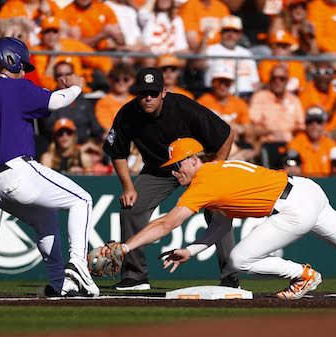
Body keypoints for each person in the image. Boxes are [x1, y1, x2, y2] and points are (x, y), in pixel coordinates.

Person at [96, 137, 336, 300]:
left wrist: (125, 247)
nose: (175, 173)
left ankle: (304, 276)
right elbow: (221, 224)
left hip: (292, 206)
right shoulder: (217, 171)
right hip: (305, 189)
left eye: (177, 166)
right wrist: (192, 250)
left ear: (193, 160)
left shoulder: (203, 182)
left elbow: (166, 223)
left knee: (239, 260)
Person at [0, 37, 100, 297]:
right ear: (10, 61)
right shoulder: (12, 88)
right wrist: (76, 88)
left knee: (46, 222)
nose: (24, 72)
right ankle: (78, 265)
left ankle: (60, 283)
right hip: (17, 171)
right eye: (22, 66)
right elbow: (56, 101)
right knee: (82, 200)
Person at [102, 67, 238, 290]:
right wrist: (128, 187)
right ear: (136, 93)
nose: (148, 98)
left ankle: (231, 276)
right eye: (144, 93)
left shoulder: (183, 107)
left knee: (219, 212)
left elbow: (226, 133)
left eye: (153, 93)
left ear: (163, 92)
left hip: (195, 167)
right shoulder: (127, 114)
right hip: (158, 169)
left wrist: (215, 169)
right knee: (132, 208)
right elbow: (116, 151)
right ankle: (135, 276)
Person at [203, 15, 259, 97]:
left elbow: (255, 82)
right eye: (227, 30)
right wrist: (204, 39)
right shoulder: (211, 50)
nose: (230, 34)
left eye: (235, 31)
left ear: (240, 34)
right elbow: (197, 65)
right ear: (221, 32)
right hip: (220, 97)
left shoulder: (247, 53)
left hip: (247, 96)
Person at [249, 64, 305, 143]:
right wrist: (271, 132)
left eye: (282, 79)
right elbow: (252, 126)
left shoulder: (294, 100)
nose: (277, 82)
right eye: (274, 78)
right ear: (269, 80)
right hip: (266, 142)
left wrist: (288, 134)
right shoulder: (259, 97)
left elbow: (301, 126)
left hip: (290, 144)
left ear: (287, 81)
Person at [286, 105, 336, 177]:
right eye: (310, 122)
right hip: (304, 182)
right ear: (305, 124)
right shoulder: (295, 144)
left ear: (324, 125)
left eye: (319, 122)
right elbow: (292, 171)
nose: (314, 125)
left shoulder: (332, 145)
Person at [94, 62, 135, 132]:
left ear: (132, 81)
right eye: (117, 79)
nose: (121, 83)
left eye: (126, 79)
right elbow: (107, 128)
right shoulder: (103, 102)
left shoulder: (136, 101)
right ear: (110, 80)